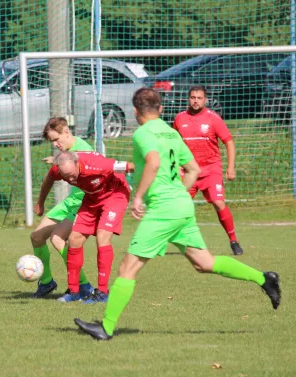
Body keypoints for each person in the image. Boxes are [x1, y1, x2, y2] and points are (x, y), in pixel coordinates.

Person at [74, 88, 281, 340]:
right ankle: (264, 278)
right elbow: (193, 169)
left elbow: (153, 162)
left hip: (164, 209)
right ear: (160, 109)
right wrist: (179, 195)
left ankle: (105, 328)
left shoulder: (143, 133)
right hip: (181, 205)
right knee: (204, 263)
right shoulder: (171, 132)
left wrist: (138, 197)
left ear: (135, 111)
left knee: (127, 268)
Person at [35, 150, 132, 303]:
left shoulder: (98, 165)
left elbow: (130, 166)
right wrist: (40, 202)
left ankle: (102, 292)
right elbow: (48, 180)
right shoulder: (58, 169)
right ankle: (75, 291)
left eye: (73, 174)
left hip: (115, 194)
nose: (71, 179)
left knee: (102, 236)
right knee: (74, 239)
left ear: (77, 163)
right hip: (92, 197)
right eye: (67, 177)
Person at [30, 117, 96, 299]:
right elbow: (49, 178)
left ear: (66, 131)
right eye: (52, 142)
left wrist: (60, 159)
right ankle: (46, 282)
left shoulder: (83, 150)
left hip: (84, 203)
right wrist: (40, 203)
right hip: (70, 203)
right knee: (36, 237)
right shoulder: (65, 154)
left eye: (57, 139)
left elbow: (86, 161)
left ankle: (84, 286)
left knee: (57, 240)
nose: (56, 144)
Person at [173, 86, 243, 255]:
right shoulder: (180, 119)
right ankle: (175, 241)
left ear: (205, 100)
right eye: (192, 97)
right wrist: (174, 167)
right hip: (189, 171)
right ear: (188, 99)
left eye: (199, 98)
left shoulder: (213, 119)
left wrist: (230, 167)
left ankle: (233, 240)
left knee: (218, 202)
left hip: (211, 169)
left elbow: (229, 141)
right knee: (178, 206)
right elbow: (174, 145)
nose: (195, 100)